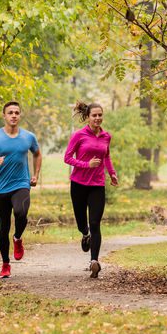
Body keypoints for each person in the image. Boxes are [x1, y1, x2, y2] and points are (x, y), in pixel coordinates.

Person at [0, 101, 41, 278]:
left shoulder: (28, 137)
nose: (14, 115)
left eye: (17, 112)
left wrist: (35, 174)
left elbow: (37, 153)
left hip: (21, 184)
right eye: (10, 112)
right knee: (2, 229)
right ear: (4, 116)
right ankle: (5, 264)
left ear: (20, 116)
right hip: (0, 189)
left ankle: (18, 238)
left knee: (21, 212)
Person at [63, 100, 118, 278]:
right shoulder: (78, 135)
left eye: (100, 115)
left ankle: (94, 261)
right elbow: (67, 158)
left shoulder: (106, 136)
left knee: (95, 222)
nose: (97, 118)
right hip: (78, 184)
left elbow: (107, 157)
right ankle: (84, 233)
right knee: (82, 223)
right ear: (87, 117)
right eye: (94, 115)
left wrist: (112, 173)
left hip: (97, 185)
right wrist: (86, 164)